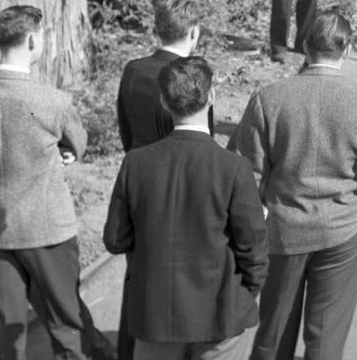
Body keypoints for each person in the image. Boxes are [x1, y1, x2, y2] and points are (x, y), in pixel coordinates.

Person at [229, 9, 357, 360]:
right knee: (325, 340)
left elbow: (247, 171)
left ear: (305, 47)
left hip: (283, 228)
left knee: (273, 331)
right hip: (346, 228)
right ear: (348, 49)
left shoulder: (269, 98)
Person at [103, 56, 269, 360]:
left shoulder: (135, 162)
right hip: (221, 315)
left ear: (164, 103)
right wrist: (246, 293)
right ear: (212, 97)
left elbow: (115, 240)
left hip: (155, 317)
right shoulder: (233, 168)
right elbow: (254, 250)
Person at [0, 6, 94, 360]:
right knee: (66, 328)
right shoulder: (49, 102)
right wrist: (66, 151)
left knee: (7, 336)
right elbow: (76, 141)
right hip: (47, 230)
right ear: (33, 40)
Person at [117, 0, 210, 152]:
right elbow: (202, 138)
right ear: (194, 32)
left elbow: (125, 128)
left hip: (138, 165)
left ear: (158, 30)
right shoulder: (194, 76)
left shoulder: (132, 70)